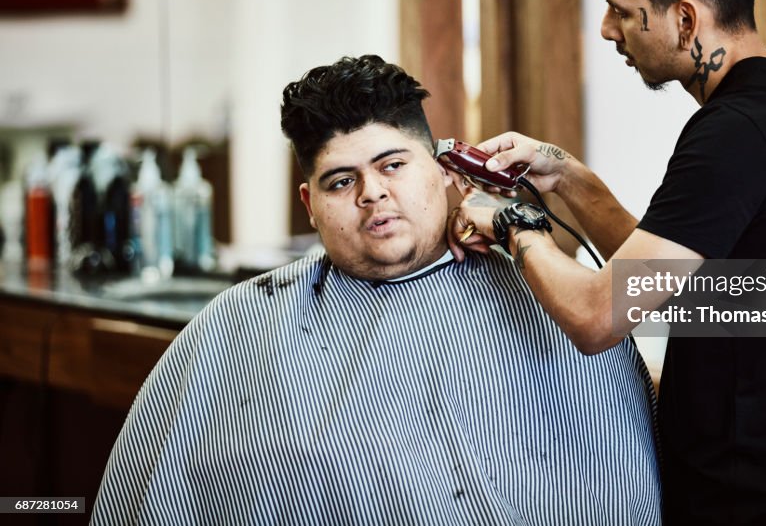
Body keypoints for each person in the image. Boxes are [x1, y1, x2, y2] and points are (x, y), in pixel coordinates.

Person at [449, 0, 766, 525]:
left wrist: (515, 223)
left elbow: (599, 316)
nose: (606, 28)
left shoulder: (735, 133)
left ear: (684, 18)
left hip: (757, 501)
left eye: (623, 9)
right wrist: (565, 175)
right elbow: (678, 280)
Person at [91, 55, 661, 525]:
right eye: (342, 181)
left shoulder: (546, 286)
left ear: (445, 172)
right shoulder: (241, 325)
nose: (372, 193)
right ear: (310, 206)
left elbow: (720, 308)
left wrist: (536, 211)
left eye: (393, 165)